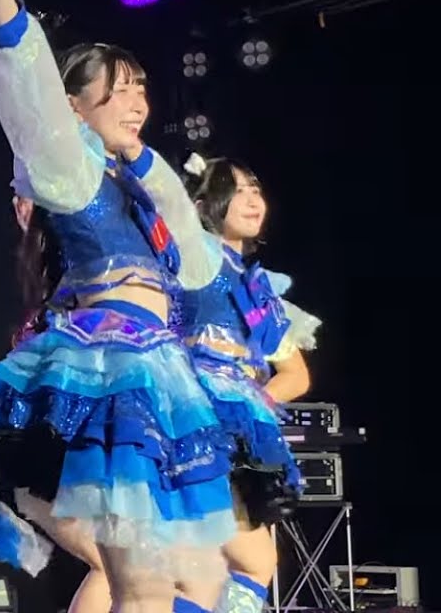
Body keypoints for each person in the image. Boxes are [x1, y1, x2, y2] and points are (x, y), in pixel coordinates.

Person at [0, 0, 239, 613]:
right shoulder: (74, 170)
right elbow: (33, 105)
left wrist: (149, 168)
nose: (136, 102)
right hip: (115, 373)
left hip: (159, 372)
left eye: (140, 88)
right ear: (77, 109)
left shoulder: (136, 187)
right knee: (142, 586)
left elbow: (199, 267)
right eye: (116, 91)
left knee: (196, 581)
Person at [178, 153, 321, 613]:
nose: (252, 199)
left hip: (232, 440)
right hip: (190, 424)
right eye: (236, 191)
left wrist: (247, 406)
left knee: (217, 571)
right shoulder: (192, 260)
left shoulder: (256, 287)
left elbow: (296, 375)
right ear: (202, 206)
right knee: (246, 562)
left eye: (255, 189)